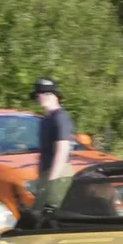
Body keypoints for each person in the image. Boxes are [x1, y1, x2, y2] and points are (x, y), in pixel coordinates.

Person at [32, 78, 76, 211]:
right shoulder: (46, 119)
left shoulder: (60, 118)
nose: (41, 97)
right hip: (47, 173)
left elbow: (62, 151)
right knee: (39, 212)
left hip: (59, 175)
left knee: (50, 212)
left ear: (55, 96)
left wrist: (52, 180)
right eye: (39, 94)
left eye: (47, 93)